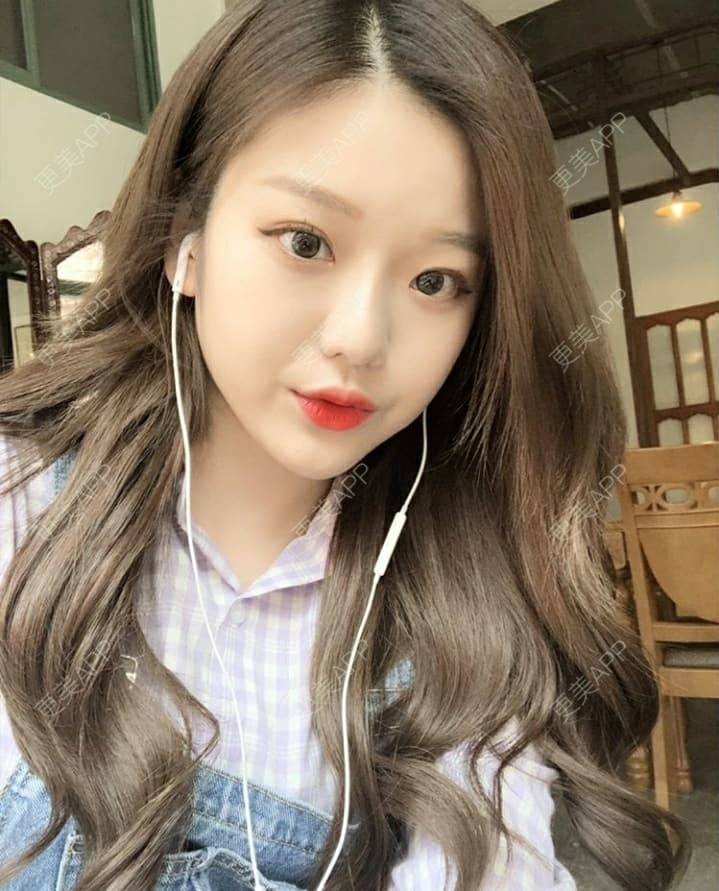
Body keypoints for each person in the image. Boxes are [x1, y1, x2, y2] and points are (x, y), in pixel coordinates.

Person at [0, 1, 691, 889]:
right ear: (185, 242)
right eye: (306, 241)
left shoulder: (464, 600)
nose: (360, 339)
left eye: (435, 280)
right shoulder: (23, 502)